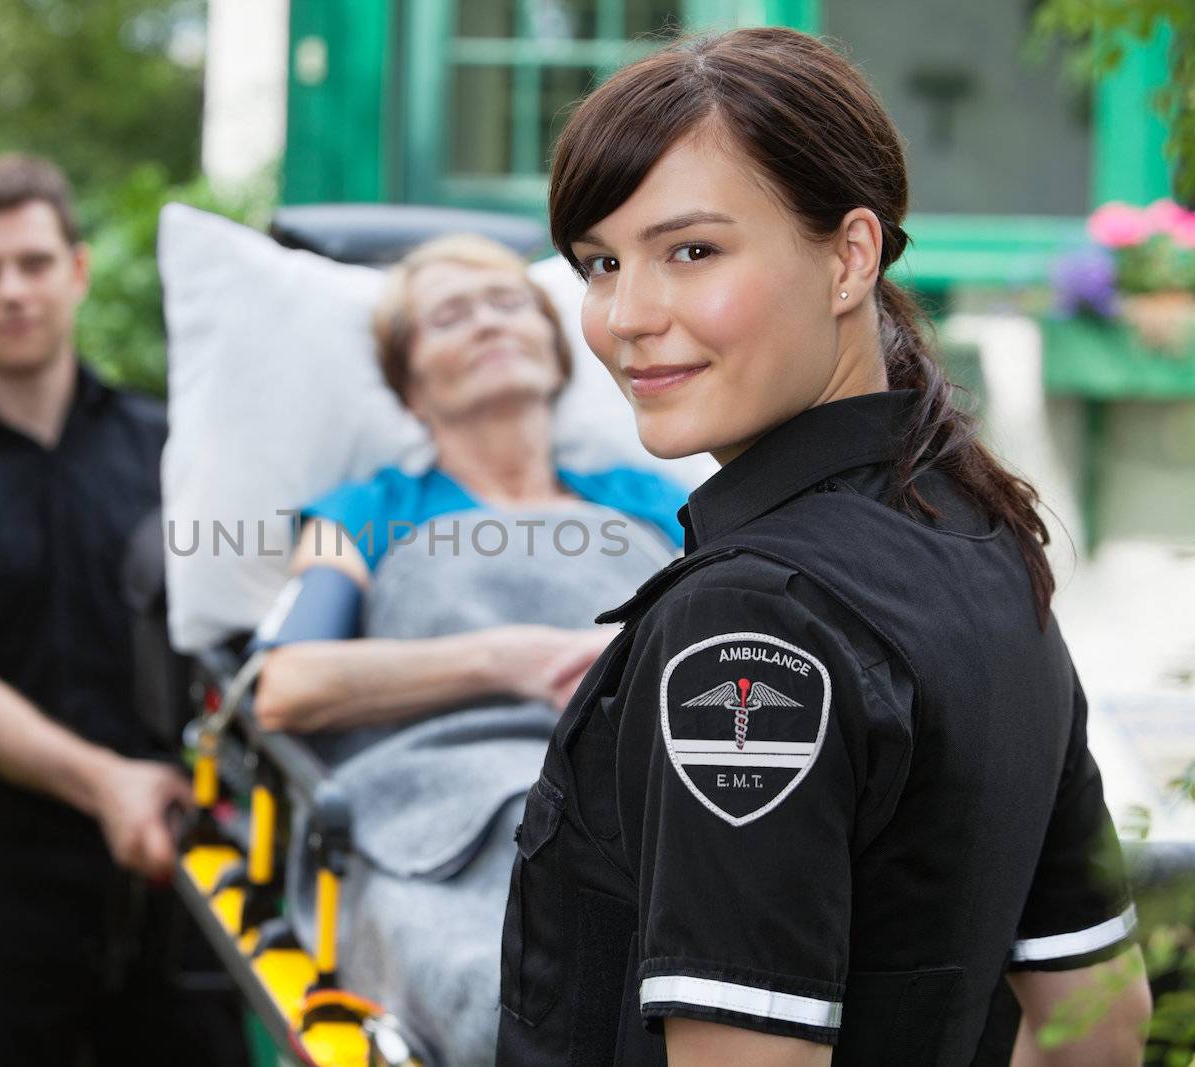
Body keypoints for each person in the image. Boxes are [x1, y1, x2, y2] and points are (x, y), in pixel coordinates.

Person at [494, 28, 1152, 1067]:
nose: (626, 315)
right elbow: (1098, 1025)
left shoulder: (749, 622)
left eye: (692, 251)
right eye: (600, 263)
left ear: (848, 256)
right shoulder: (986, 540)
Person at [0, 154, 247, 1067]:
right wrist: (107, 781)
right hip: (1, 884)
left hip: (172, 869)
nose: (12, 290)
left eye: (33, 262)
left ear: (77, 269)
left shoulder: (169, 445)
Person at [249, 234, 690, 1067]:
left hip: (645, 810)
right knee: (520, 1010)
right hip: (447, 828)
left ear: (557, 351)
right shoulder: (365, 512)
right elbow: (288, 682)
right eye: (450, 315)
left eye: (507, 304)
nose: (487, 324)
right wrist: (512, 660)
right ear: (411, 384)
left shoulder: (660, 506)